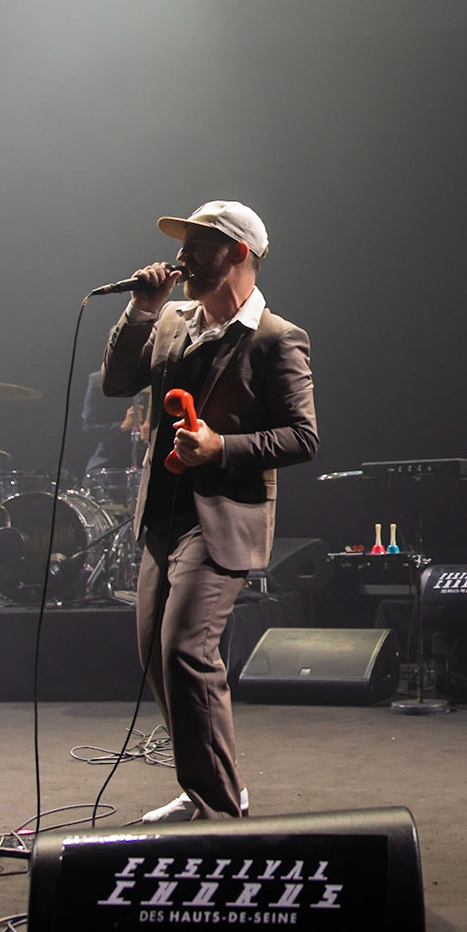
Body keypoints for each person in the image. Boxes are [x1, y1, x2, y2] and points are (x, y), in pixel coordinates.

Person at [102, 200, 317, 821]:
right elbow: (116, 382)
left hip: (222, 518)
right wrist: (140, 310)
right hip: (160, 516)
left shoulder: (277, 338)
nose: (183, 256)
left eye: (200, 245)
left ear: (239, 253)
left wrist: (220, 446)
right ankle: (209, 784)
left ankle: (221, 818)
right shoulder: (170, 319)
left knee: (185, 651)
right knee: (155, 656)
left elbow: (303, 438)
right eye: (184, 244)